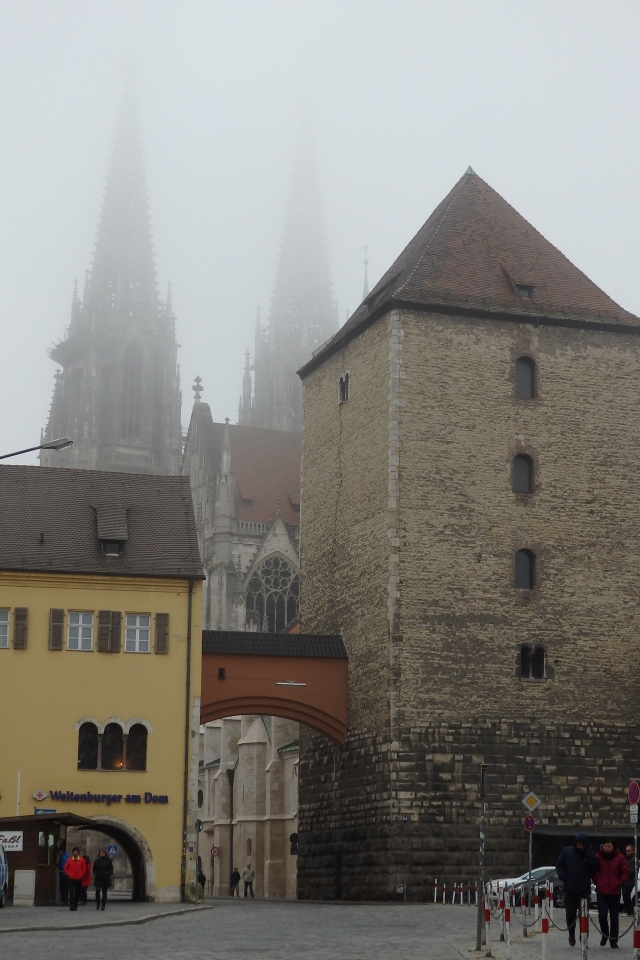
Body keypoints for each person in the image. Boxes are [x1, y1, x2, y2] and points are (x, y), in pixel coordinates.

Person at [556, 832, 599, 947]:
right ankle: (571, 934)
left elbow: (595, 864)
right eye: (579, 844)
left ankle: (584, 937)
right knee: (570, 914)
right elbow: (559, 865)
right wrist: (564, 877)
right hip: (570, 889)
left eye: (583, 845)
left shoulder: (588, 854)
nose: (581, 847)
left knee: (583, 915)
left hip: (584, 890)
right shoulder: (567, 852)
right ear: (576, 843)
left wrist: (588, 853)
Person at [595, 838, 628, 948]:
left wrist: (619, 883)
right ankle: (604, 935)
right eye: (605, 845)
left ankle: (613, 940)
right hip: (601, 891)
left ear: (613, 846)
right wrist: (597, 881)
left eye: (609, 846)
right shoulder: (598, 857)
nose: (607, 848)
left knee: (614, 917)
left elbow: (625, 872)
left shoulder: (620, 857)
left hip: (615, 892)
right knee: (602, 914)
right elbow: (593, 871)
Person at [622, 843, 635, 915]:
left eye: (629, 850)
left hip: (629, 881)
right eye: (626, 850)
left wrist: (625, 870)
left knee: (626, 895)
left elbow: (632, 871)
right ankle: (627, 910)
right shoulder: (627, 859)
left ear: (633, 851)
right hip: (625, 880)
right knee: (625, 895)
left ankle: (628, 910)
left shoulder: (633, 859)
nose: (627, 852)